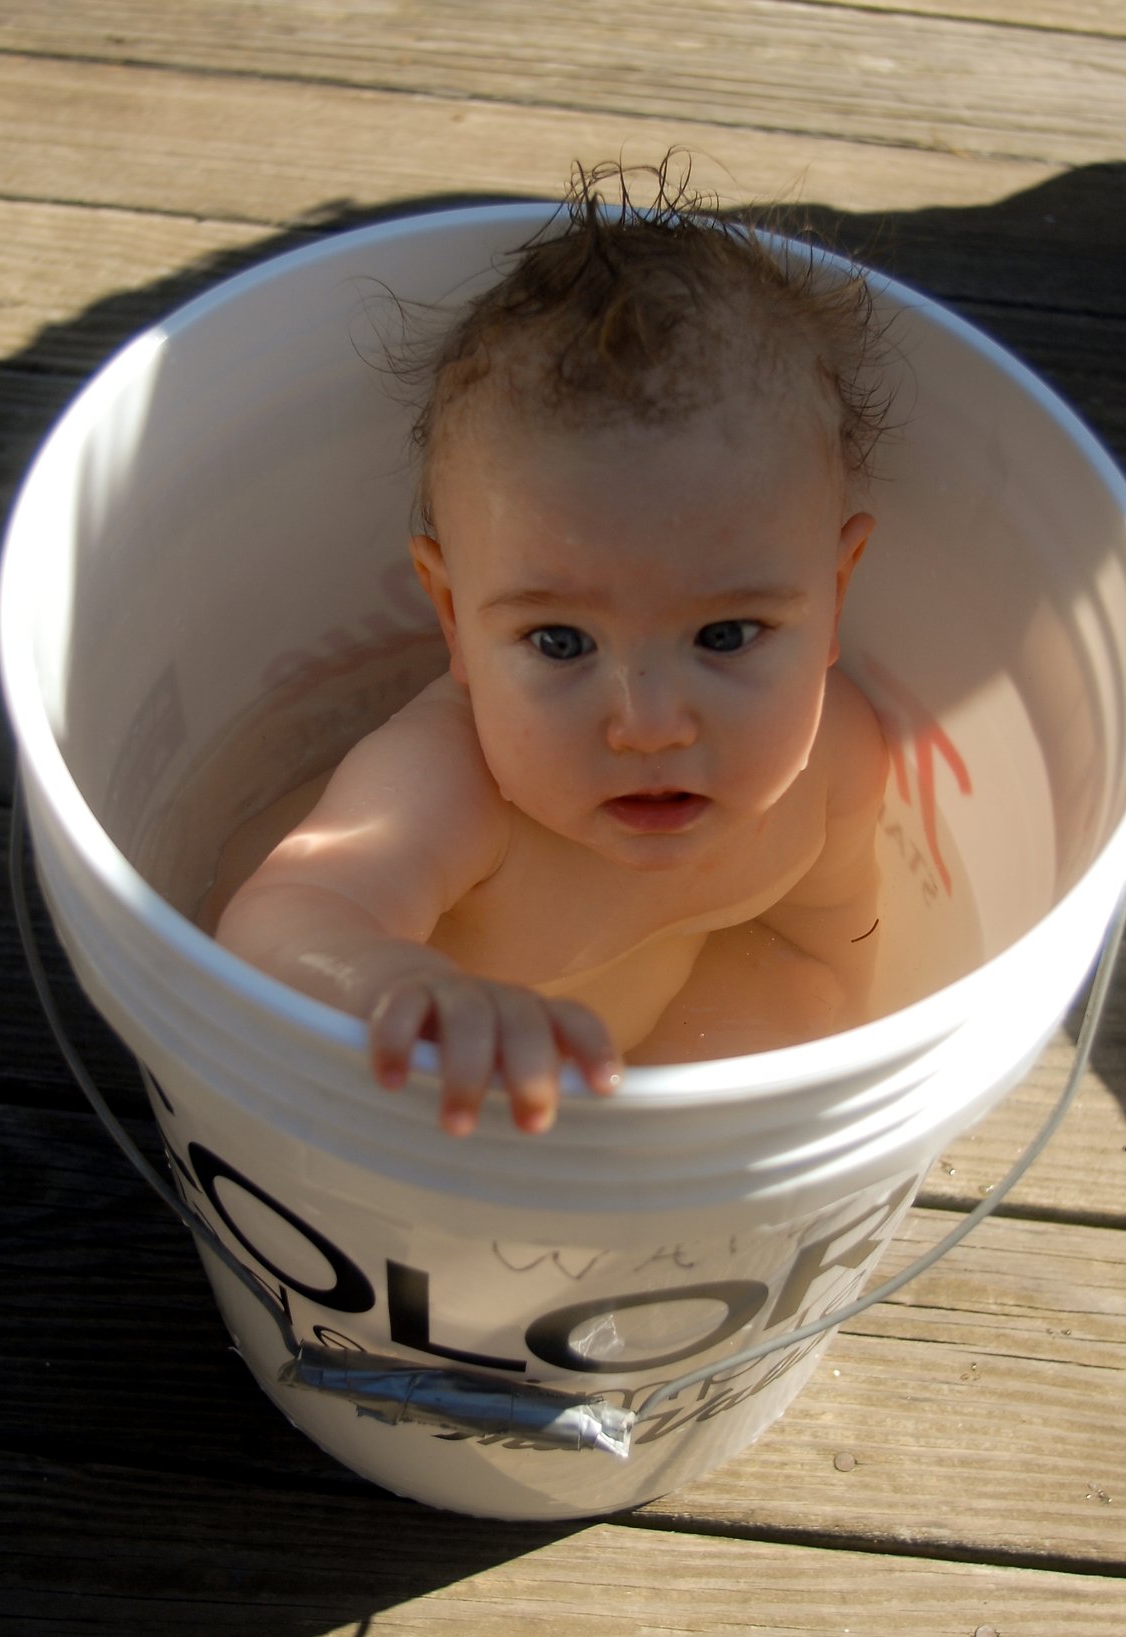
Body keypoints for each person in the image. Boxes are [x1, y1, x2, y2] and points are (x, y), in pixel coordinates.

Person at [215, 160, 889, 1136]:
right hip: (412, 1100)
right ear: (451, 618)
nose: (648, 724)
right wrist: (399, 986)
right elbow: (280, 921)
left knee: (804, 1010)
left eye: (726, 634)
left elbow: (836, 929)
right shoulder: (446, 784)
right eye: (560, 640)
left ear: (832, 597)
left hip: (619, 1047)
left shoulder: (839, 763)